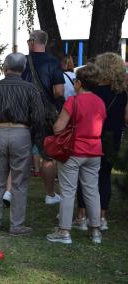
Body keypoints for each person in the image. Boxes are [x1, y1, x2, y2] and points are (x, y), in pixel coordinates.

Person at [0, 53, 44, 235]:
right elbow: (38, 117)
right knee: (19, 182)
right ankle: (17, 225)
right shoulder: (30, 89)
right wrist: (34, 137)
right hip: (22, 133)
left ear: (5, 67)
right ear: (23, 69)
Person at [46, 63, 106, 244]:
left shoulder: (73, 101)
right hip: (94, 151)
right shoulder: (100, 102)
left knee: (68, 191)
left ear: (79, 83)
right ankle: (95, 231)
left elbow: (58, 128)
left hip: (73, 151)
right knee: (92, 190)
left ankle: (64, 231)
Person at [73, 53, 128, 231]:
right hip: (112, 139)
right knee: (104, 177)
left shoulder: (92, 91)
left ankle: (81, 216)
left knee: (84, 176)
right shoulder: (123, 94)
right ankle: (102, 217)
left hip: (91, 136)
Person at [22, 30, 65, 205]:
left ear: (32, 42)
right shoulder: (53, 62)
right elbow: (59, 91)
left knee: (21, 155)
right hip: (46, 116)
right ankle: (50, 194)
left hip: (24, 114)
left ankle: (14, 191)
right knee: (48, 157)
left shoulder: (22, 61)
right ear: (44, 43)